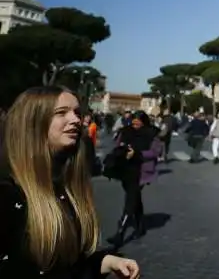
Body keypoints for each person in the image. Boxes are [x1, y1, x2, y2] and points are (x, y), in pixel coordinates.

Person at [0, 86, 140, 278]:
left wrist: (106, 262)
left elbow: (68, 266)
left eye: (76, 112)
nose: (76, 119)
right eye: (61, 113)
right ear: (32, 122)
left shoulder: (66, 185)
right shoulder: (6, 194)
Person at [109, 111, 162, 248]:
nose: (135, 123)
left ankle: (120, 232)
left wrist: (137, 153)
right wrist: (122, 150)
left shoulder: (152, 134)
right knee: (135, 198)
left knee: (131, 199)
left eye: (138, 121)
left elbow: (155, 152)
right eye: (134, 121)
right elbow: (117, 144)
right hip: (125, 169)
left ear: (144, 121)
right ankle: (140, 227)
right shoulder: (125, 131)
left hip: (142, 171)